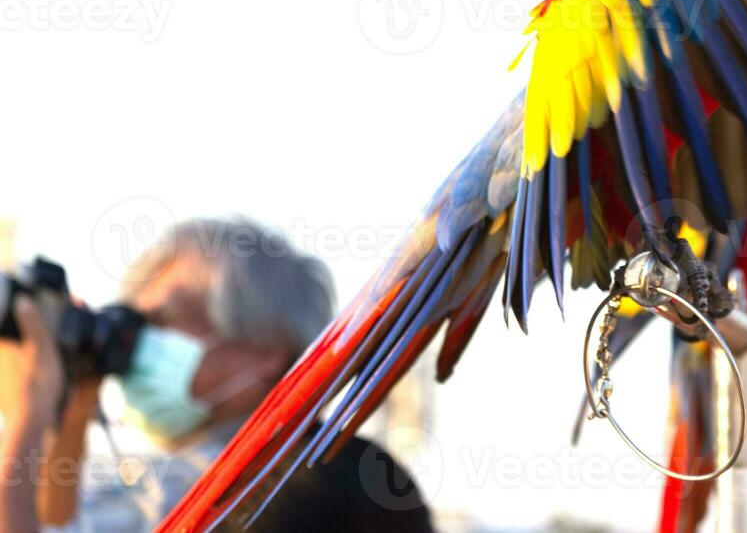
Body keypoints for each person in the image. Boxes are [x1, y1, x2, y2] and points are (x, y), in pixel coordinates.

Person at [0, 217, 435, 532]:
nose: (136, 347)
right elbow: (60, 525)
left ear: (265, 349)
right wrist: (70, 417)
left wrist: (28, 412)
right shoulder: (346, 464)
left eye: (161, 323)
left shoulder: (283, 489)